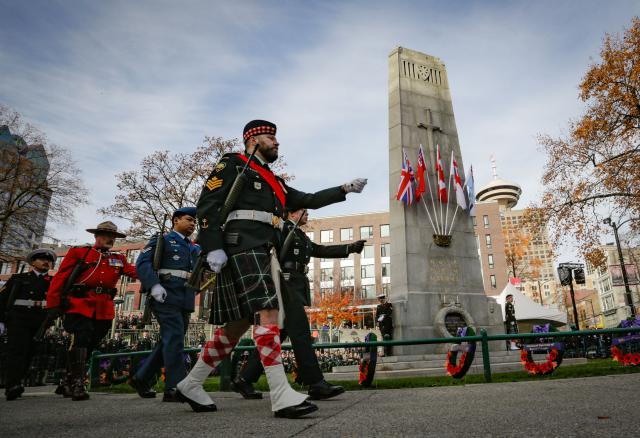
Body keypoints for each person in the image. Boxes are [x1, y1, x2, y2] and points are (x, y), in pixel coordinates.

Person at [176, 119, 367, 418]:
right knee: (268, 310)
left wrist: (343, 188)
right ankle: (280, 394)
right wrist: (212, 245)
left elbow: (309, 200)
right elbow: (208, 204)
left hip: (263, 247)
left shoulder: (274, 181)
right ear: (252, 140)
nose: (277, 142)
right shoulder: (233, 163)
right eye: (270, 137)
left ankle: (192, 382)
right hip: (243, 243)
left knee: (238, 325)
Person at [233, 208, 365, 401]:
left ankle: (245, 378)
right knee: (301, 332)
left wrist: (350, 248)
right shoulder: (282, 228)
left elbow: (319, 249)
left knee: (277, 335)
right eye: (304, 211)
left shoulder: (299, 234)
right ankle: (315, 383)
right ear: (292, 213)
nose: (308, 215)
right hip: (284, 281)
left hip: (296, 282)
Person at [47, 221, 137, 401]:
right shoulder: (80, 252)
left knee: (91, 342)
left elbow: (135, 272)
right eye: (105, 235)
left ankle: (67, 379)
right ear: (96, 236)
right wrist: (53, 304)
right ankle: (78, 383)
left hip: (103, 308)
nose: (109, 239)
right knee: (81, 338)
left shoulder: (119, 259)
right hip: (79, 304)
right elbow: (61, 277)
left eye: (112, 236)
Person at [129, 207, 200, 402]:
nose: (193, 224)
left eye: (195, 221)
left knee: (171, 339)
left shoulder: (193, 247)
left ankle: (141, 378)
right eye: (189, 219)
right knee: (175, 336)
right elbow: (142, 264)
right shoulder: (163, 240)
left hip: (185, 296)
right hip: (165, 294)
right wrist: (153, 285)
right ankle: (174, 387)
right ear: (176, 220)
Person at [0, 249, 56, 400]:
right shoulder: (19, 278)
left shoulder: (53, 282)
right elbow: (3, 299)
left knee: (31, 353)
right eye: (41, 259)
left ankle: (18, 381)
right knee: (17, 351)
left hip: (40, 321)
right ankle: (12, 384)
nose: (46, 262)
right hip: (18, 320)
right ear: (32, 262)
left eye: (48, 260)